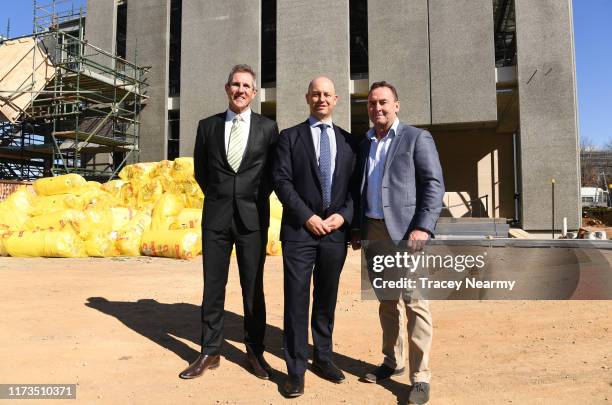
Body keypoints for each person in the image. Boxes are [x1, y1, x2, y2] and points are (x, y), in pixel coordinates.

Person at [180, 64, 279, 380]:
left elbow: (271, 175)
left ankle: (255, 351)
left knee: (253, 289)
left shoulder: (268, 128)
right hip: (216, 219)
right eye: (235, 84)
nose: (240, 90)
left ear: (254, 92)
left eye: (246, 85)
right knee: (213, 287)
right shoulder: (207, 126)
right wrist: (222, 197)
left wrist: (249, 198)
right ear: (227, 88)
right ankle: (210, 351)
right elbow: (201, 172)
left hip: (252, 219)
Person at [351, 81, 444, 405]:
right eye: (373, 104)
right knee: (387, 303)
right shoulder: (364, 144)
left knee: (415, 303)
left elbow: (434, 185)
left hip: (407, 235)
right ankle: (392, 361)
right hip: (374, 232)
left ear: (397, 105)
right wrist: (356, 229)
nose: (378, 108)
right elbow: (359, 189)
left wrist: (423, 228)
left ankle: (419, 377)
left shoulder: (416, 138)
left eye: (384, 102)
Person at [272, 76, 358, 397]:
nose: (321, 99)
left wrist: (344, 216)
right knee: (296, 300)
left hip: (335, 234)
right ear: (307, 97)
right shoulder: (289, 138)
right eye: (316, 94)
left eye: (327, 94)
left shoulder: (350, 142)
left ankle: (322, 357)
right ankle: (295, 369)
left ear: (336, 100)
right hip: (298, 232)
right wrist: (307, 217)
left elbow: (354, 188)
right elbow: (281, 181)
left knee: (326, 297)